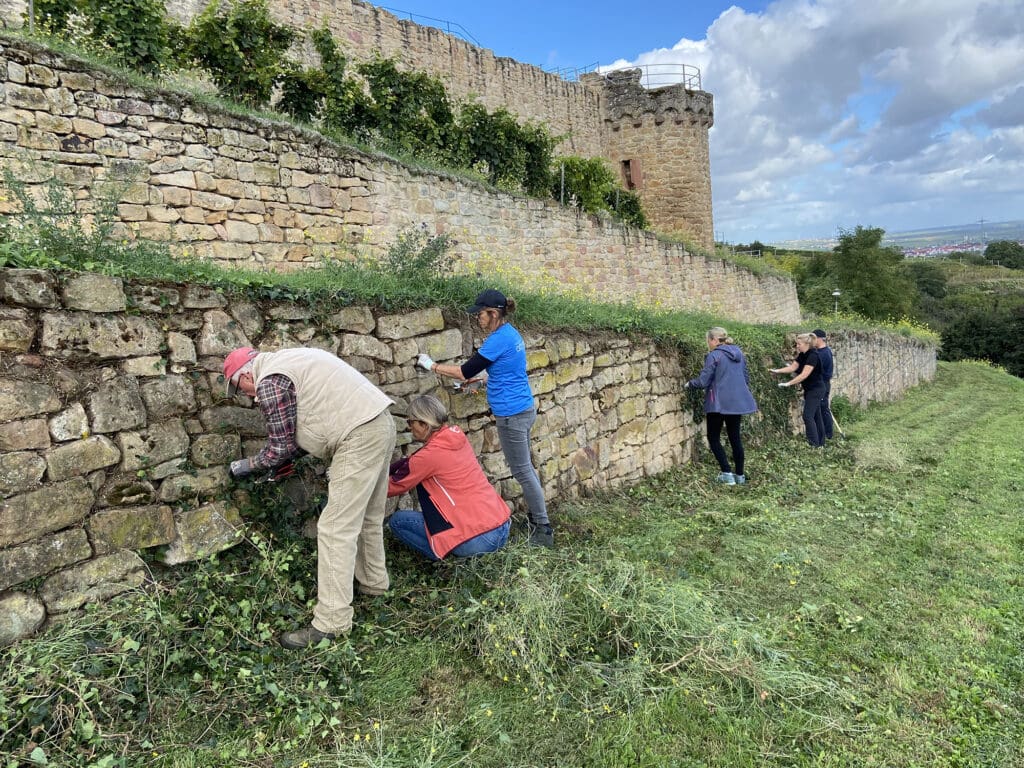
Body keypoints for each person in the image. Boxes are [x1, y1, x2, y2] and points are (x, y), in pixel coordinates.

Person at [222, 346, 396, 650]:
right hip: (380, 423)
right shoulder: (292, 360)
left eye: (240, 388)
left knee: (335, 528)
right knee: (368, 515)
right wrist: (287, 457)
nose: (248, 396)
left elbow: (279, 448)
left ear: (247, 374)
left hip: (357, 437)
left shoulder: (269, 381)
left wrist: (245, 466)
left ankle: (332, 623)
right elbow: (306, 427)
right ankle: (374, 585)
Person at [414, 289, 553, 548]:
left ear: (493, 314)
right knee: (526, 468)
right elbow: (506, 370)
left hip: (511, 414)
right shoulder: (511, 335)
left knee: (522, 470)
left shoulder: (498, 340)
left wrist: (431, 365)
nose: (478, 318)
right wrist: (481, 381)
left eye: (481, 314)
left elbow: (464, 371)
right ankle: (537, 518)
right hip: (522, 407)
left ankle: (543, 529)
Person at [387, 395, 511, 560]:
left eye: (411, 422)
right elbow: (412, 461)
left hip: (478, 539)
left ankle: (447, 559)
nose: (409, 427)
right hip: (501, 525)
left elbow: (391, 487)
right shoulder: (456, 437)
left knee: (398, 521)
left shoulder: (428, 457)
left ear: (424, 424)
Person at [685, 327, 759, 485]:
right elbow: (746, 378)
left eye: (708, 341)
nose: (708, 344)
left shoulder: (714, 355)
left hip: (717, 403)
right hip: (736, 402)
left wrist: (689, 384)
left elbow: (703, 381)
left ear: (713, 340)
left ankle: (727, 473)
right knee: (735, 438)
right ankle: (740, 475)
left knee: (713, 437)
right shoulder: (739, 353)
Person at [771, 332, 826, 447]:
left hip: (816, 389)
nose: (797, 346)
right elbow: (793, 367)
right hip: (809, 389)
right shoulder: (802, 355)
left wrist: (788, 383)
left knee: (807, 416)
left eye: (799, 344)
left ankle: (814, 445)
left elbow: (804, 375)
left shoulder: (813, 356)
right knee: (816, 415)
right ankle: (821, 443)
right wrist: (777, 371)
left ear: (806, 344)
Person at [812, 329, 835, 440]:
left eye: (813, 338)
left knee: (823, 409)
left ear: (819, 339)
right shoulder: (820, 352)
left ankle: (828, 434)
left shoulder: (824, 353)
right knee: (820, 409)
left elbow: (820, 372)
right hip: (821, 384)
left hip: (822, 385)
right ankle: (822, 432)